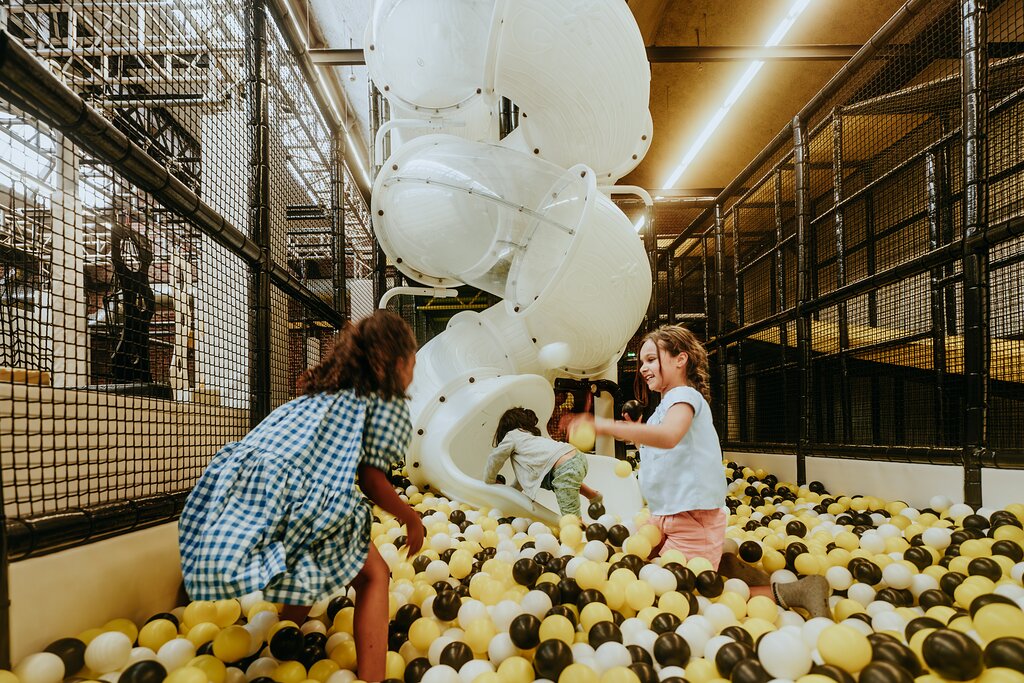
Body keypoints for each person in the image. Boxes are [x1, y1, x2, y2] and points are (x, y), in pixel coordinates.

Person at [178, 310, 426, 680]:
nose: (412, 374)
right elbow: (372, 480)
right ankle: (373, 677)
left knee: (309, 554)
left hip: (253, 489)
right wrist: (410, 516)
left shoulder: (324, 393)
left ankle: (277, 641)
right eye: (413, 365)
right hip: (295, 491)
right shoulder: (377, 404)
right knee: (373, 574)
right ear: (398, 362)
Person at [574, 325, 831, 619]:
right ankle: (721, 560)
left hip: (692, 516)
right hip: (664, 514)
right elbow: (661, 444)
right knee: (643, 567)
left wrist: (605, 425)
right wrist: (635, 431)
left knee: (688, 592)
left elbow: (670, 436)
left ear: (680, 360)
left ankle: (796, 590)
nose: (643, 368)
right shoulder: (664, 406)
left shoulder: (685, 396)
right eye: (642, 361)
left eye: (651, 359)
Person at [484, 407, 602, 517]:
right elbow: (522, 480)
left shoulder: (512, 435)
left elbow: (495, 458)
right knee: (561, 481)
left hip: (564, 468)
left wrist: (490, 480)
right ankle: (593, 495)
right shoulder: (531, 441)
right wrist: (510, 493)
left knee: (570, 518)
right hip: (576, 457)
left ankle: (580, 532)